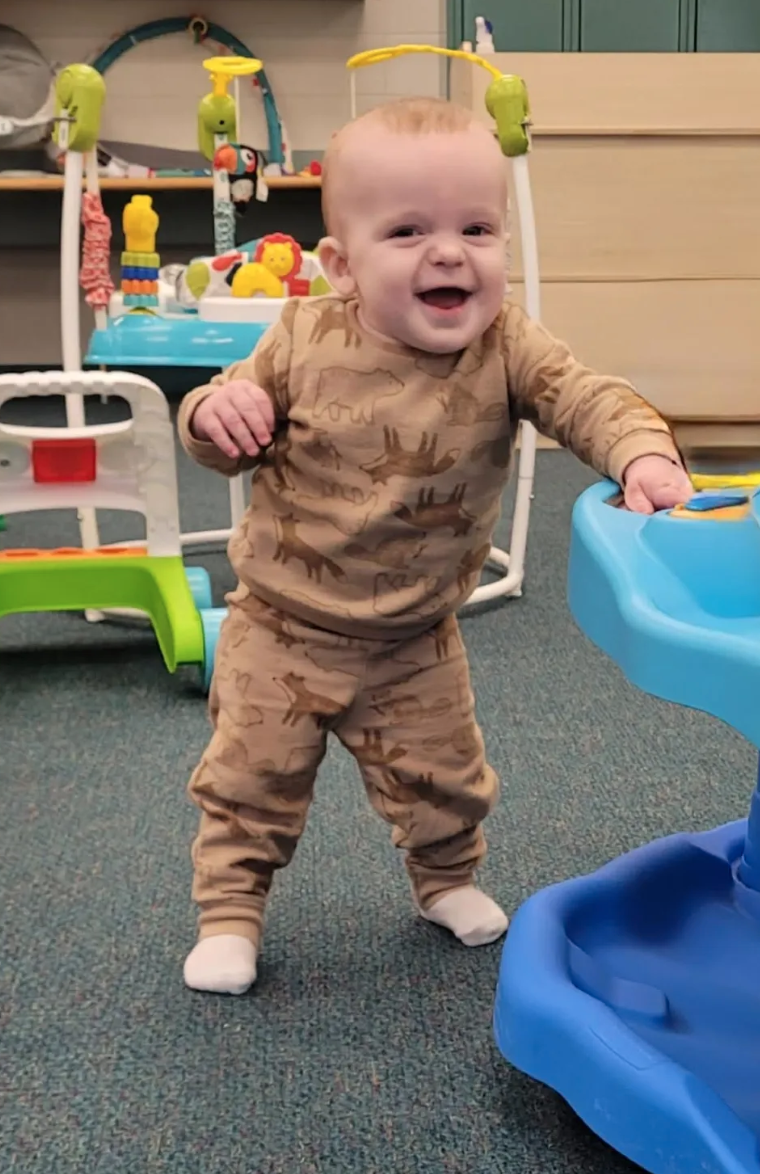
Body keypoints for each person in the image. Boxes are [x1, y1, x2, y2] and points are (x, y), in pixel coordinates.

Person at [177, 96, 692, 995]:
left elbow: (583, 396)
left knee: (446, 780)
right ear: (341, 263)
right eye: (409, 230)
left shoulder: (506, 344)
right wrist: (216, 416)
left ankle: (445, 881)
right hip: (282, 624)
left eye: (477, 227)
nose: (449, 251)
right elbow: (216, 419)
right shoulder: (300, 335)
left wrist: (641, 448)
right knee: (250, 781)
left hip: (416, 635)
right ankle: (230, 914)